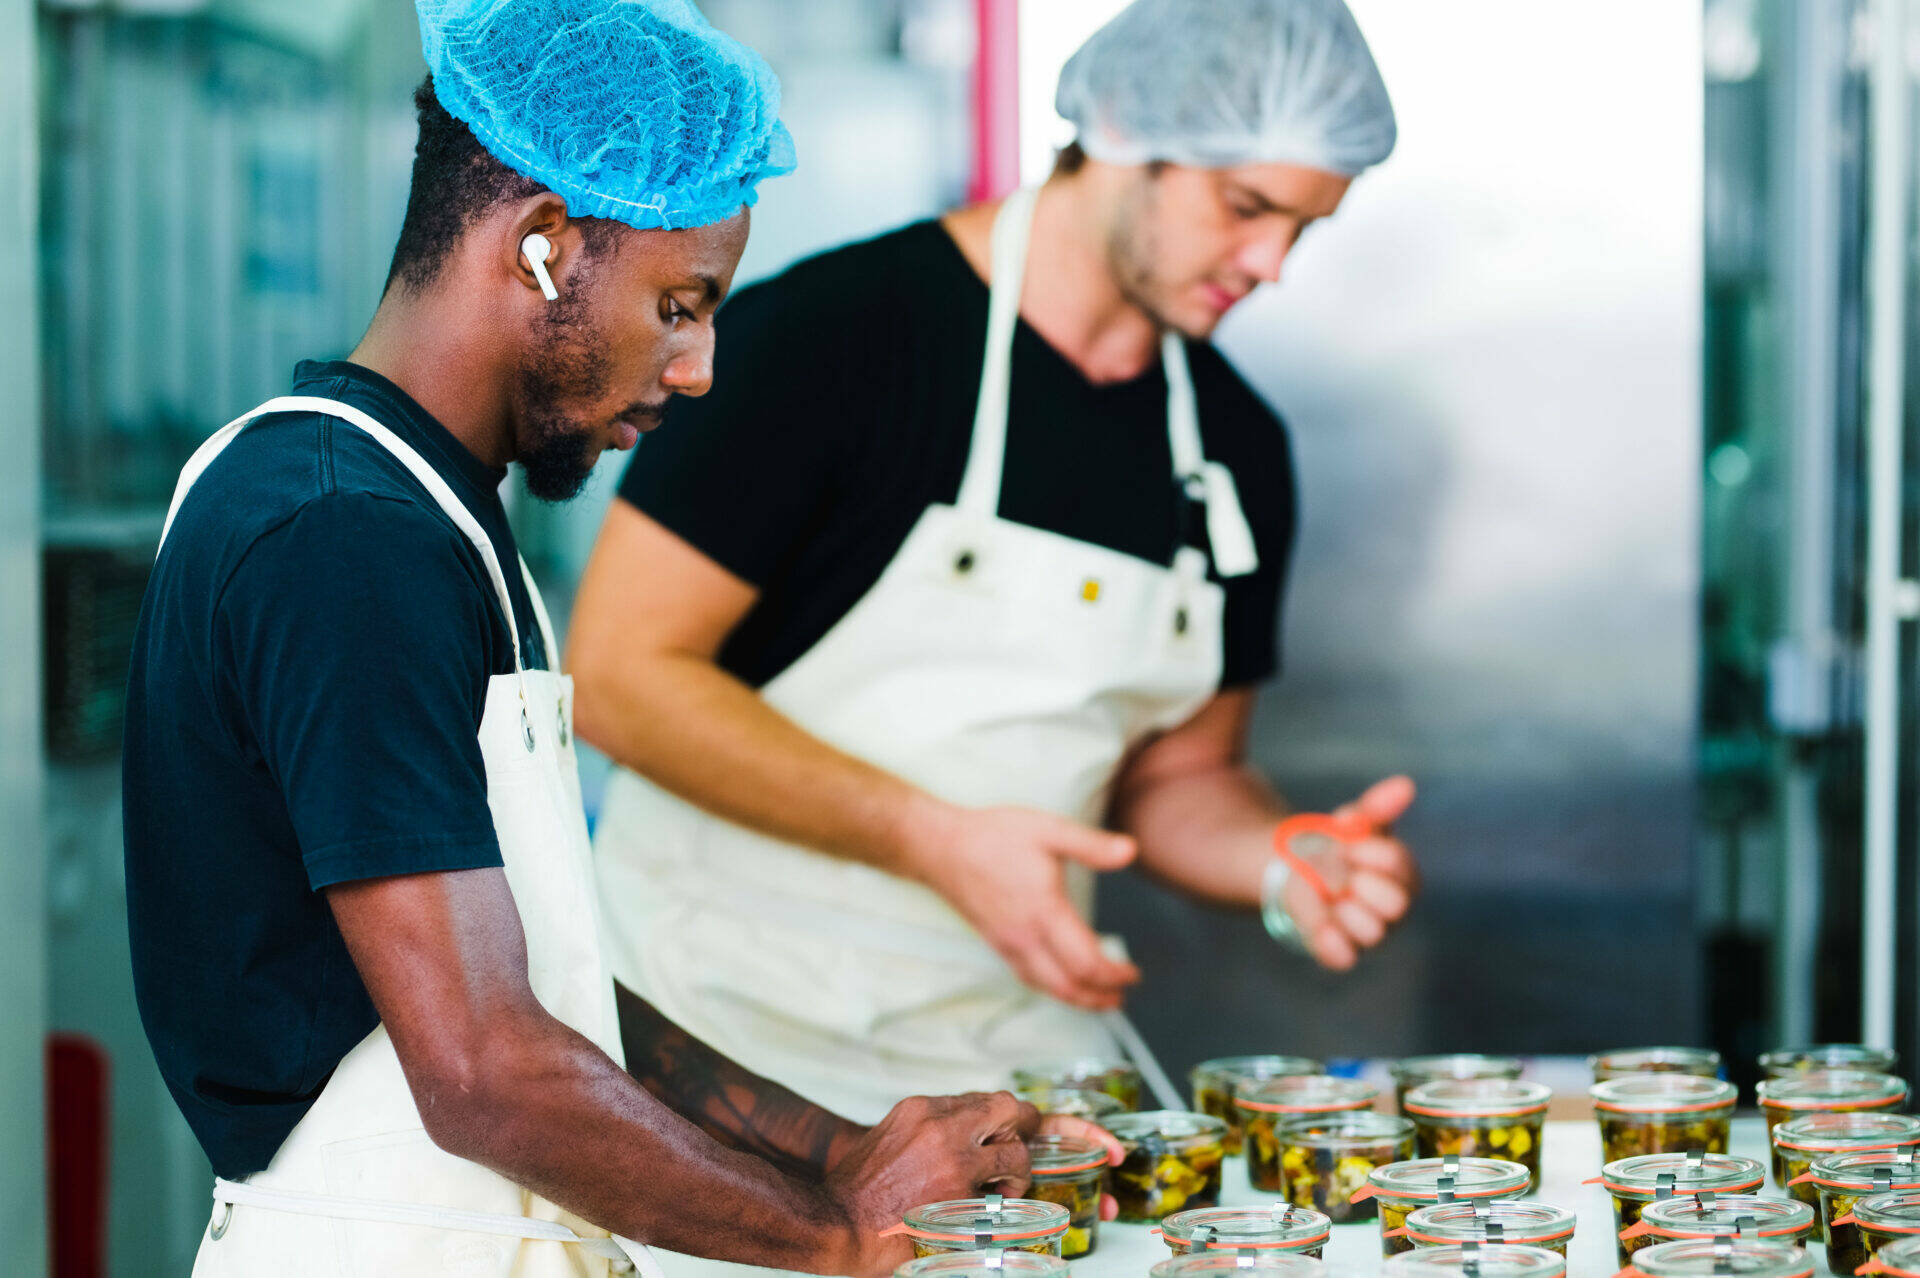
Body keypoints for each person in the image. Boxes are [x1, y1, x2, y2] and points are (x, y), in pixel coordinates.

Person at [122, 4, 1108, 1275]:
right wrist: (835, 1237)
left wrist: (845, 1154)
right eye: (679, 306)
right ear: (540, 246)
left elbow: (553, 998)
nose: (697, 369)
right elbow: (486, 1072)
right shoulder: (342, 536)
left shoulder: (427, 511)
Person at [569, 0, 1422, 1126]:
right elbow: (618, 676)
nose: (1270, 264)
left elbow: (1178, 777)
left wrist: (1277, 858)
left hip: (1016, 1071)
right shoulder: (834, 338)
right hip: (715, 1047)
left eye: (1303, 228)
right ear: (1124, 132)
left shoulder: (1234, 450)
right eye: (1247, 207)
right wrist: (934, 839)